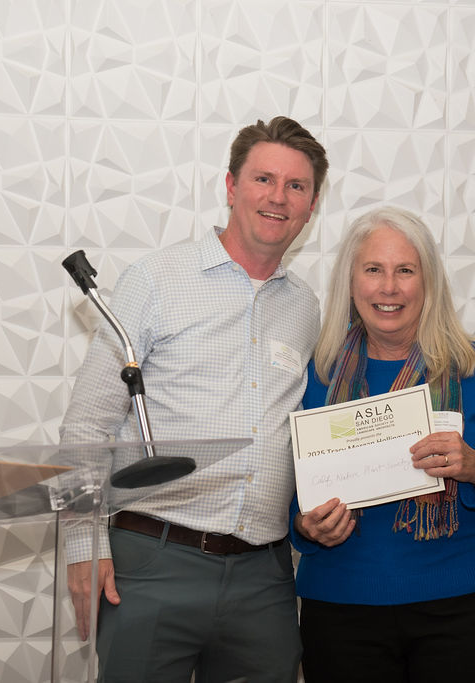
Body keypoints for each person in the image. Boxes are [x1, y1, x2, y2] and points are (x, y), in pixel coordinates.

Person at [60, 116, 328, 682]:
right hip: (153, 562)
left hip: (264, 579)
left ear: (311, 206)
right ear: (231, 186)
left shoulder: (305, 309)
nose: (277, 197)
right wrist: (83, 543)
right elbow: (87, 423)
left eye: (296, 186)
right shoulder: (156, 279)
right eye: (263, 179)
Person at [290, 206, 475, 683]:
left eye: (405, 271)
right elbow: (289, 496)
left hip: (468, 609)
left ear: (428, 283)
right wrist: (306, 527)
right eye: (373, 269)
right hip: (343, 610)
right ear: (351, 282)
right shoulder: (316, 375)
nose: (388, 287)